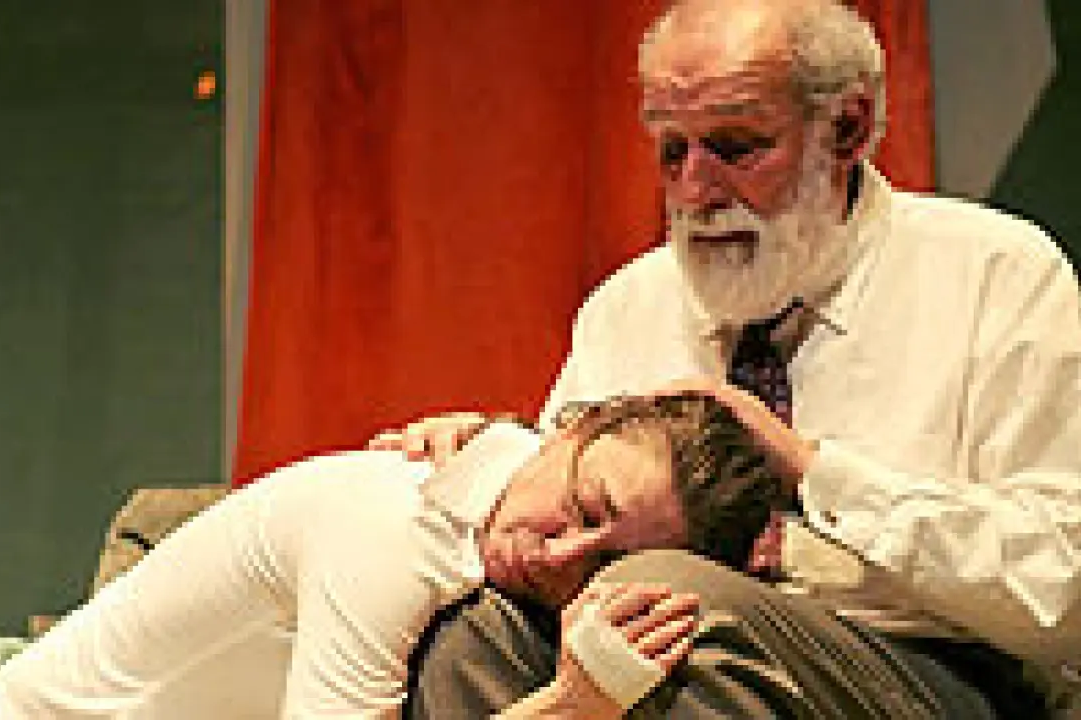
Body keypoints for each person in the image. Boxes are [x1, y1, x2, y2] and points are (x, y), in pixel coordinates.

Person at [399, 0, 1081, 717]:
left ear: (846, 128)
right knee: (477, 630)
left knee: (671, 604)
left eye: (735, 147)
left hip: (939, 675)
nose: (695, 191)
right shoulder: (632, 304)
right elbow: (562, 529)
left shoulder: (996, 273)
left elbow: (1062, 584)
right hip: (680, 640)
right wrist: (489, 461)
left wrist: (811, 473)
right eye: (673, 151)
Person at [0, 393, 783, 718]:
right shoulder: (390, 533)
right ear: (567, 432)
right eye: (584, 510)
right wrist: (571, 708)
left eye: (604, 565)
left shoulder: (509, 470)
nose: (560, 555)